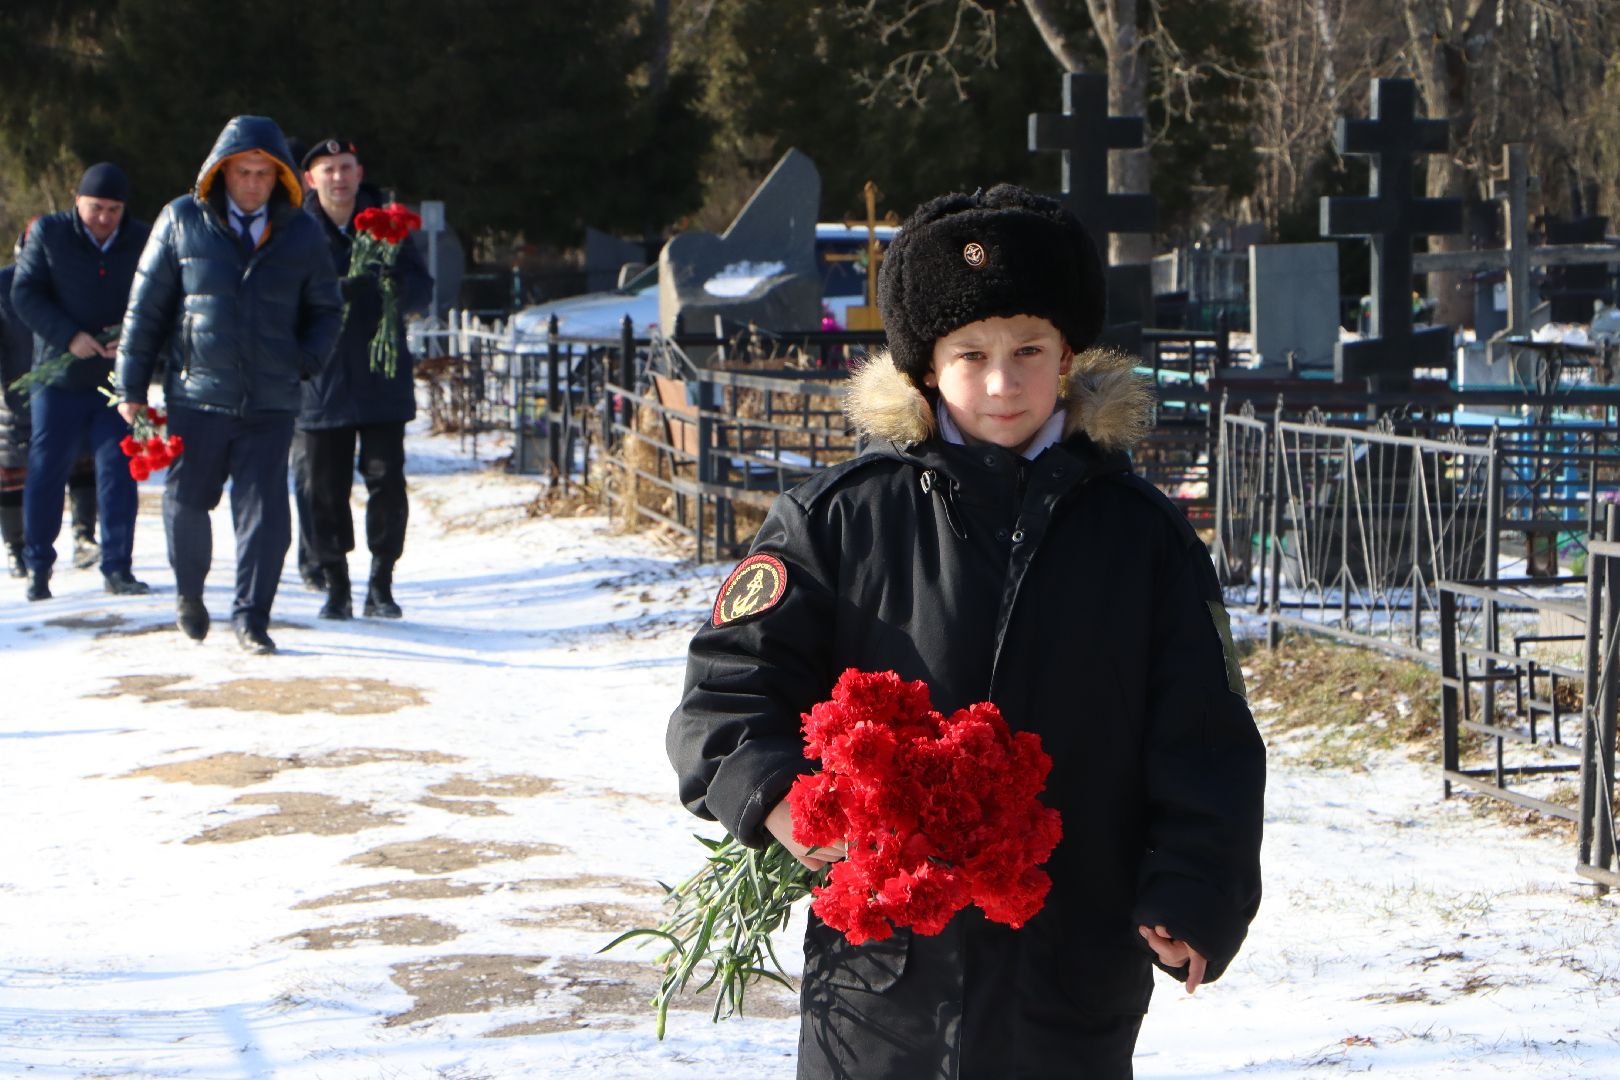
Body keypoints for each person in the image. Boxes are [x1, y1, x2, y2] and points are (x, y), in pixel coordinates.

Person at [667, 185, 1266, 1080]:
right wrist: (778, 797)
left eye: (1029, 349)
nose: (1001, 382)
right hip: (883, 986)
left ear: (1067, 356)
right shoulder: (836, 521)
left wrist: (1196, 886)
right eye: (970, 353)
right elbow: (728, 689)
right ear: (923, 367)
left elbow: (1205, 732)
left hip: (1067, 963)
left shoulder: (1142, 535)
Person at [115, 116, 342, 654]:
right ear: (221, 172)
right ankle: (190, 594)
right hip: (198, 394)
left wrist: (304, 361)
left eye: (265, 174)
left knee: (267, 515)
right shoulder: (181, 221)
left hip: (271, 399)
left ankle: (252, 617)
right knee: (187, 501)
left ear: (281, 177)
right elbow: (145, 309)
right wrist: (131, 387)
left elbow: (327, 309)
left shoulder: (301, 231)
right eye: (244, 172)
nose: (253, 183)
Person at [293, 136, 431, 620]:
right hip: (322, 381)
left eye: (346, 167)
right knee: (323, 489)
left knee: (386, 482)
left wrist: (399, 291)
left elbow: (422, 287)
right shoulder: (295, 228)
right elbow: (283, 293)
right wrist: (333, 292)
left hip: (379, 378)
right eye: (327, 169)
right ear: (311, 178)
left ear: (358, 171)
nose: (339, 177)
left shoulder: (388, 225)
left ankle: (381, 582)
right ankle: (336, 584)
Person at [10, 163, 152, 600]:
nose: (105, 218)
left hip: (115, 377)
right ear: (77, 201)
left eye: (113, 209)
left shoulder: (139, 239)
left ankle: (117, 566)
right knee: (48, 469)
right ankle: (38, 565)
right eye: (96, 208)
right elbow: (25, 292)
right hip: (60, 376)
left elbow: (155, 294)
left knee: (118, 469)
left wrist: (128, 338)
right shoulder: (50, 234)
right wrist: (69, 336)